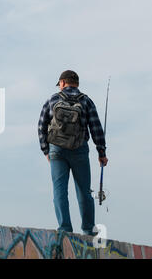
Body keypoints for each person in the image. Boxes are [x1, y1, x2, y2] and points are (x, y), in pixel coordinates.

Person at [38, 70, 108, 236]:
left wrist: (46, 150)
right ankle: (88, 230)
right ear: (76, 83)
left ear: (62, 83)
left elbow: (41, 126)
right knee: (84, 191)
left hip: (57, 150)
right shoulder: (86, 101)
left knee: (59, 190)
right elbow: (96, 128)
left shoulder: (52, 99)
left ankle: (65, 229)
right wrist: (101, 152)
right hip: (79, 149)